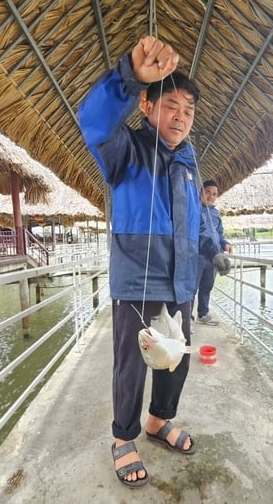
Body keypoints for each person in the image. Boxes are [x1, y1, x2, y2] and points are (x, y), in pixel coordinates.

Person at [78, 35, 201, 488]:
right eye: (171, 105)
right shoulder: (125, 150)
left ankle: (158, 420)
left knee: (177, 358)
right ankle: (123, 436)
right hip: (137, 279)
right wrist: (129, 76)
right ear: (147, 106)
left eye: (188, 111)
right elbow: (92, 120)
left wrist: (211, 251)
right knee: (132, 362)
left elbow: (195, 220)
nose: (180, 118)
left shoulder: (188, 162)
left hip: (181, 280)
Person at [194, 180, 232, 326]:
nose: (211, 196)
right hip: (198, 256)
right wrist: (214, 252)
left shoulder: (215, 213)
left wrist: (225, 244)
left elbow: (219, 234)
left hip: (214, 257)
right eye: (208, 192)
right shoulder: (194, 209)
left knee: (207, 286)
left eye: (214, 194)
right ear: (200, 192)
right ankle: (187, 320)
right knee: (192, 288)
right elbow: (198, 234)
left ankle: (202, 314)